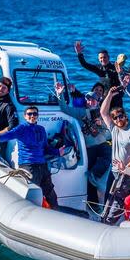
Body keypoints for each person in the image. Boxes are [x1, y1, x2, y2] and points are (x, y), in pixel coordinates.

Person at [0, 106, 62, 209]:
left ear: (37, 116)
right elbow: (8, 135)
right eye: (29, 114)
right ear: (25, 116)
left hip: (42, 166)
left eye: (35, 114)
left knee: (51, 195)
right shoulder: (21, 128)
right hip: (29, 167)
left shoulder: (41, 129)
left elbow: (45, 148)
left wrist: (58, 152)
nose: (32, 116)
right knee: (33, 196)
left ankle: (56, 215)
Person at [55, 81, 111, 210]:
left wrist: (101, 124)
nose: (91, 102)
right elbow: (64, 108)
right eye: (89, 99)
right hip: (89, 148)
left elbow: (109, 131)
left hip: (102, 144)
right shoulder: (80, 112)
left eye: (94, 100)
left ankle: (94, 175)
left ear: (98, 102)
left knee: (108, 155)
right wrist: (60, 94)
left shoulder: (103, 113)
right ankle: (93, 205)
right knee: (89, 179)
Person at [99, 87, 130, 224]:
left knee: (119, 200)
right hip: (114, 171)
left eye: (120, 116)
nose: (118, 119)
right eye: (115, 117)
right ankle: (104, 219)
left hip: (127, 172)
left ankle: (111, 223)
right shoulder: (114, 129)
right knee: (109, 195)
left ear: (125, 115)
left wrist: (126, 168)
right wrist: (110, 95)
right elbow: (103, 112)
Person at [75, 41, 123, 109]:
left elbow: (124, 81)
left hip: (116, 99)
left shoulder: (115, 68)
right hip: (104, 99)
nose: (103, 59)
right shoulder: (99, 69)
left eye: (104, 57)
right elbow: (85, 65)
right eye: (101, 58)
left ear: (108, 57)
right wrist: (79, 54)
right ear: (98, 59)